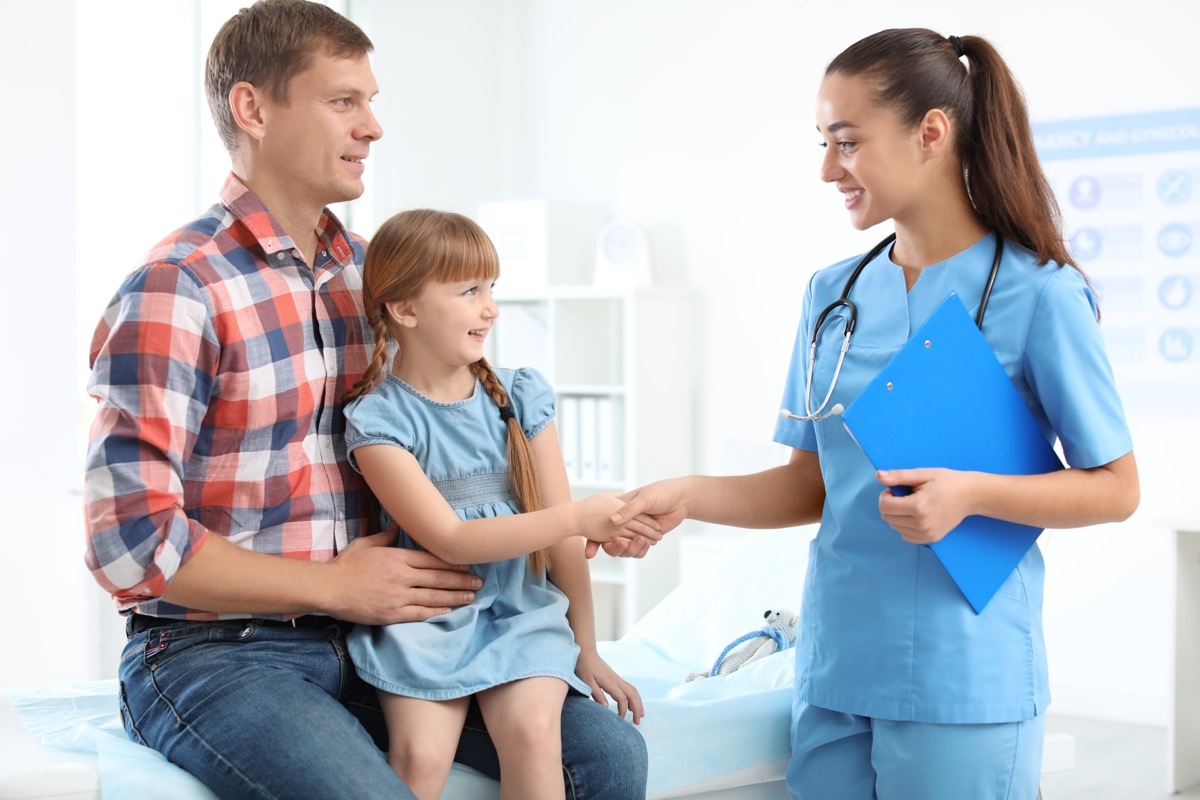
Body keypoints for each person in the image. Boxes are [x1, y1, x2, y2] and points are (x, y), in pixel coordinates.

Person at [83, 2, 649, 798]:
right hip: (219, 650)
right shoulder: (179, 288)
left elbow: (466, 423)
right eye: (344, 101)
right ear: (253, 108)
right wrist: (332, 587)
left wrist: (554, 533)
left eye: (371, 101)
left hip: (383, 632)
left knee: (608, 758)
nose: (373, 126)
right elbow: (129, 543)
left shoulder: (376, 279)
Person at [613, 27, 1140, 800]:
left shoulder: (1040, 295)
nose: (828, 168)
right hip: (835, 669)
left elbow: (1116, 487)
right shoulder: (833, 296)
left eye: (847, 142)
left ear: (931, 132)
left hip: (965, 675)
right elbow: (811, 486)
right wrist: (687, 494)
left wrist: (972, 494)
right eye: (824, 144)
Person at [340, 208, 651, 799]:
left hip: (521, 615)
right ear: (404, 310)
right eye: (469, 291)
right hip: (427, 617)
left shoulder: (520, 396)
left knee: (536, 736)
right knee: (420, 758)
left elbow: (563, 543)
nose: (491, 308)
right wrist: (580, 516)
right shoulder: (378, 419)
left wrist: (586, 648)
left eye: (491, 288)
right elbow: (450, 539)